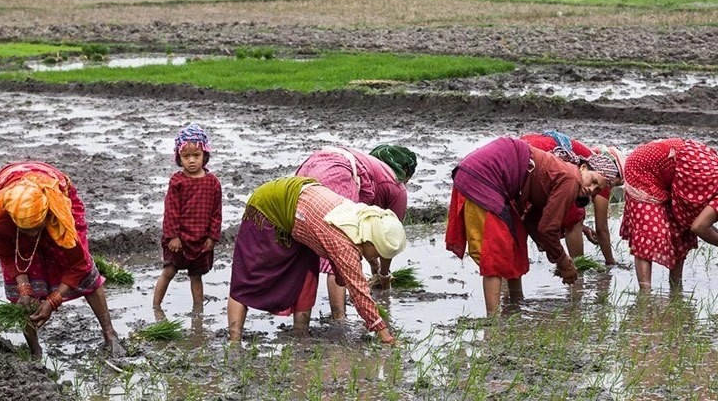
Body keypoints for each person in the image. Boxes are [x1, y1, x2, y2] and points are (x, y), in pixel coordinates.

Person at [445, 136, 621, 315]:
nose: (591, 189)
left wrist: (547, 247)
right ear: (583, 167)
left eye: (597, 189)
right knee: (495, 253)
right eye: (593, 181)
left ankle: (515, 305)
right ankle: (493, 321)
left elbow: (531, 221)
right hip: (484, 175)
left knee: (515, 241)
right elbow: (548, 229)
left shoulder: (566, 177)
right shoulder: (571, 180)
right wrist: (564, 262)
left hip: (485, 172)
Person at [227, 176, 406, 345]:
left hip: (303, 213)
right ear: (371, 240)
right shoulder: (344, 242)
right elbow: (359, 292)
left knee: (307, 277)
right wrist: (384, 335)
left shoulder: (363, 219)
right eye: (377, 252)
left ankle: (301, 338)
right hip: (268, 207)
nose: (376, 257)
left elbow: (346, 271)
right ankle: (234, 343)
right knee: (249, 278)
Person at [0, 160, 125, 359]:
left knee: (83, 270)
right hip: (13, 200)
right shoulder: (0, 219)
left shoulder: (59, 216)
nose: (32, 235)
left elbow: (79, 265)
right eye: (26, 230)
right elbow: (7, 255)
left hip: (55, 198)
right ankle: (35, 350)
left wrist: (53, 300)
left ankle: (110, 333)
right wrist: (24, 287)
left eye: (36, 228)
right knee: (22, 294)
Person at [619, 138, 718, 290]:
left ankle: (676, 289)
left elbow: (698, 223)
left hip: (663, 168)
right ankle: (645, 296)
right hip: (644, 168)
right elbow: (699, 227)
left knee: (682, 231)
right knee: (649, 232)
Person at [295, 143, 417, 320]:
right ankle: (340, 319)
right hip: (336, 172)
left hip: (309, 166)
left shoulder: (369, 168)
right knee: (340, 252)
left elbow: (365, 234)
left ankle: (301, 321)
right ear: (405, 172)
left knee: (304, 248)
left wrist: (374, 265)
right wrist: (384, 274)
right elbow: (389, 240)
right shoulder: (397, 187)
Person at [520, 130, 625, 264]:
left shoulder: (586, 157)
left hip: (526, 147)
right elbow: (602, 229)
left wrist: (584, 228)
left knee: (520, 211)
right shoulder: (603, 174)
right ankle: (577, 266)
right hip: (538, 155)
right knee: (575, 216)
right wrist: (610, 262)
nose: (611, 188)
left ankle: (519, 257)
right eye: (617, 183)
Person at [152, 124, 222, 311]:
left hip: (201, 239)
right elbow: (171, 211)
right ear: (178, 157)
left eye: (196, 155)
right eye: (186, 156)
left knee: (196, 276)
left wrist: (212, 237)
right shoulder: (177, 181)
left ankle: (198, 311)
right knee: (169, 270)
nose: (191, 161)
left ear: (204, 155)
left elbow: (216, 213)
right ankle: (156, 307)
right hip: (179, 239)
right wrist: (172, 236)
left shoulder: (213, 183)